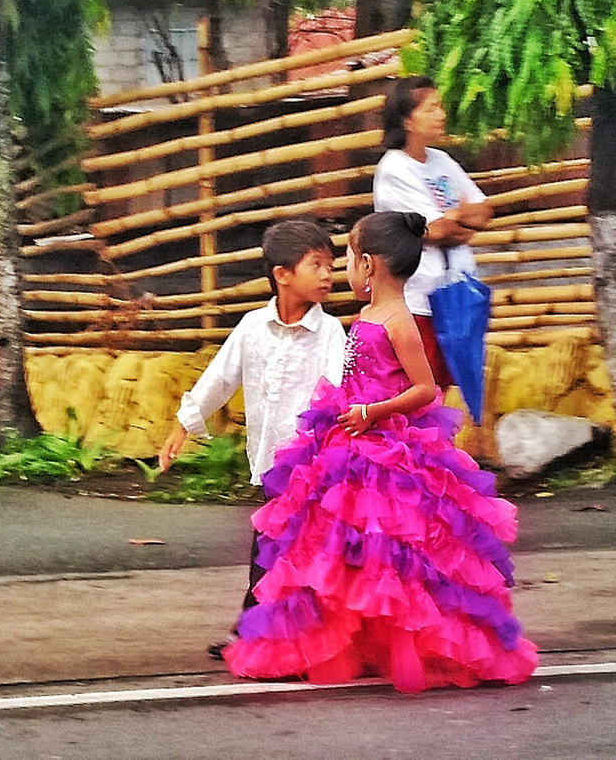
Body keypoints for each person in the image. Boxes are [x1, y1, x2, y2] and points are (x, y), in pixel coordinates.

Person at [222, 211, 538, 692]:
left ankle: (408, 640)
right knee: (338, 548)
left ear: (367, 264)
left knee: (397, 553)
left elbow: (426, 390)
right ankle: (340, 640)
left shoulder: (399, 321)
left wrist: (374, 410)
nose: (342, 268)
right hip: (348, 438)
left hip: (387, 447)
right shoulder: (366, 316)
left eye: (346, 257)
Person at [158, 218, 347, 657]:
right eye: (316, 265)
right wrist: (182, 425)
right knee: (268, 552)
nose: (327, 275)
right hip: (270, 465)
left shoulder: (331, 333)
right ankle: (256, 635)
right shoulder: (250, 328)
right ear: (282, 275)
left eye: (331, 265)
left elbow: (336, 392)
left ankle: (284, 640)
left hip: (314, 466)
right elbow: (218, 379)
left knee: (302, 555)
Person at [373, 76, 492, 388]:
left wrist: (455, 218)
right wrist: (455, 220)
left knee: (455, 389)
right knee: (424, 392)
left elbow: (484, 212)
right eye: (432, 108)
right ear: (408, 120)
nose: (442, 115)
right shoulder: (394, 169)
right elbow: (435, 230)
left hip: (454, 294)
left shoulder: (442, 161)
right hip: (418, 300)